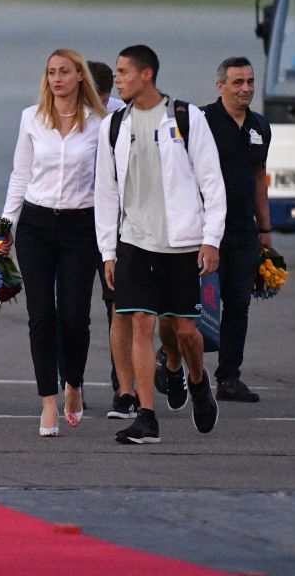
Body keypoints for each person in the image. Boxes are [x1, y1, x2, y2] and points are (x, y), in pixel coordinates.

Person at [94, 44, 226, 444]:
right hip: (134, 240)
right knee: (139, 324)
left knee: (185, 332)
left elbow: (211, 182)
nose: (116, 79)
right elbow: (105, 191)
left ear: (146, 74)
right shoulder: (114, 125)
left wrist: (211, 239)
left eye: (123, 71)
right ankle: (146, 417)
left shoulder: (186, 117)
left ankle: (199, 384)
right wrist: (108, 251)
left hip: (182, 243)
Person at [0, 49, 106, 437]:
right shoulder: (32, 118)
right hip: (37, 226)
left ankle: (73, 384)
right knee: (41, 315)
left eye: (64, 72)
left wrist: (111, 238)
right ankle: (48, 401)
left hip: (82, 226)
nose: (57, 79)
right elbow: (20, 175)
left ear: (80, 77)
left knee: (75, 317)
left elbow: (107, 186)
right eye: (51, 72)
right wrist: (3, 228)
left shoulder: (99, 124)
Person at [190, 56, 272, 403]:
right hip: (205, 232)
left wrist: (265, 230)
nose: (246, 89)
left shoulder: (259, 126)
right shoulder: (202, 121)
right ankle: (174, 364)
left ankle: (228, 378)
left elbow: (258, 177)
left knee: (238, 304)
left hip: (243, 232)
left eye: (250, 81)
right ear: (220, 85)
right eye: (238, 82)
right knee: (193, 306)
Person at [87, 60, 130, 416]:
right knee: (69, 311)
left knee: (119, 306)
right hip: (74, 222)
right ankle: (70, 383)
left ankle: (124, 387)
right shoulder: (56, 114)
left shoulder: (121, 115)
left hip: (114, 225)